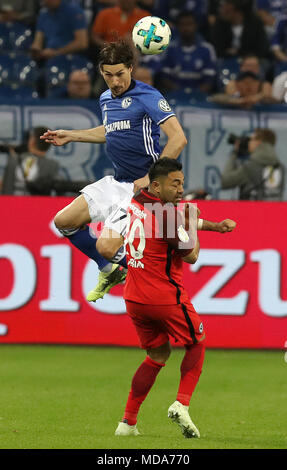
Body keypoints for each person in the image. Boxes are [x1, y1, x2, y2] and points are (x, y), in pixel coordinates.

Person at [41, 39, 188, 302]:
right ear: (101, 73)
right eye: (108, 75)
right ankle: (109, 270)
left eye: (120, 74)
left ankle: (150, 274)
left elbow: (178, 138)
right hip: (117, 182)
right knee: (64, 222)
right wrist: (72, 135)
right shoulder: (106, 97)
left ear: (131, 68)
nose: (115, 81)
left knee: (106, 245)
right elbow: (110, 130)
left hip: (141, 188)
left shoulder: (148, 96)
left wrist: (153, 178)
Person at [115, 157, 236, 437]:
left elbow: (178, 219)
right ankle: (182, 404)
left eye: (182, 182)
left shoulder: (139, 200)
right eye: (175, 183)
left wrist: (214, 225)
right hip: (164, 297)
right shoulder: (167, 216)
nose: (181, 189)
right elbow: (191, 254)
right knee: (197, 342)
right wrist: (193, 221)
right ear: (156, 186)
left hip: (134, 297)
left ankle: (128, 422)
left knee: (157, 354)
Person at [158, 11, 217, 95]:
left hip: (200, 97)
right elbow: (165, 79)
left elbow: (209, 81)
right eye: (182, 24)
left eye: (189, 24)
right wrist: (182, 93)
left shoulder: (207, 49)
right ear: (177, 27)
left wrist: (194, 93)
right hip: (174, 96)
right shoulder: (169, 48)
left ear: (196, 26)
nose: (186, 28)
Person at [221, 128, 283, 200]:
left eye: (251, 139)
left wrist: (234, 153)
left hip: (252, 210)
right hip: (275, 211)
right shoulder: (280, 167)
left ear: (258, 142)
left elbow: (224, 182)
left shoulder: (250, 168)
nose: (249, 142)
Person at [1, 126, 59, 196]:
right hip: (39, 206)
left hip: (13, 205)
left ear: (32, 141)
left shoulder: (14, 159)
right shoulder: (52, 165)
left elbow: (7, 188)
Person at [211, 70, 276, 108]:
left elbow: (274, 100)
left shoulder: (263, 100)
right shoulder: (235, 97)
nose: (248, 85)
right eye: (245, 82)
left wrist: (260, 96)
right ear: (238, 85)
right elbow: (215, 98)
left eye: (252, 82)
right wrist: (241, 101)